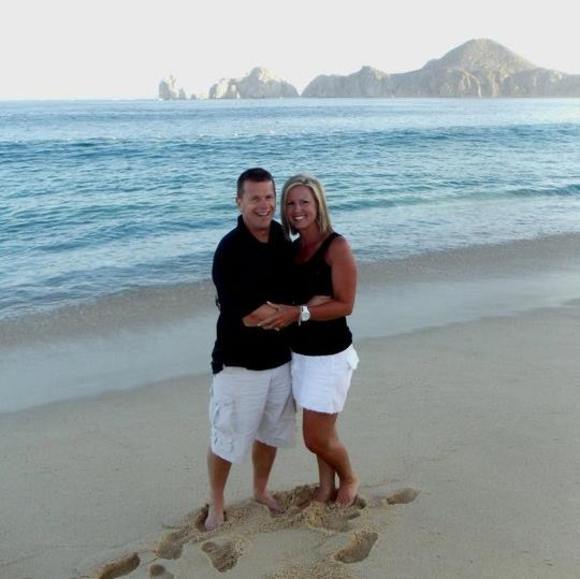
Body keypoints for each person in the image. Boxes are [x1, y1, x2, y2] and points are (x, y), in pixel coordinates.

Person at [259, 174, 360, 506]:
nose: (297, 209)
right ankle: (325, 487)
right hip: (300, 354)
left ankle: (349, 478)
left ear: (318, 205)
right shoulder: (294, 250)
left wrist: (302, 311)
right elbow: (289, 298)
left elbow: (345, 304)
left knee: (314, 437)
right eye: (290, 203)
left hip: (330, 356)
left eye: (304, 202)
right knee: (323, 432)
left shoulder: (336, 247)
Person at [206, 167, 296, 531]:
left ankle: (260, 490)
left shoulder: (280, 237)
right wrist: (289, 313)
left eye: (269, 197)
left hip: (280, 360)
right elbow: (248, 315)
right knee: (226, 438)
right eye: (255, 198)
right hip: (238, 363)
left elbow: (291, 294)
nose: (264, 205)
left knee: (270, 432)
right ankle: (216, 504)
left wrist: (282, 311)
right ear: (239, 201)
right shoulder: (230, 250)